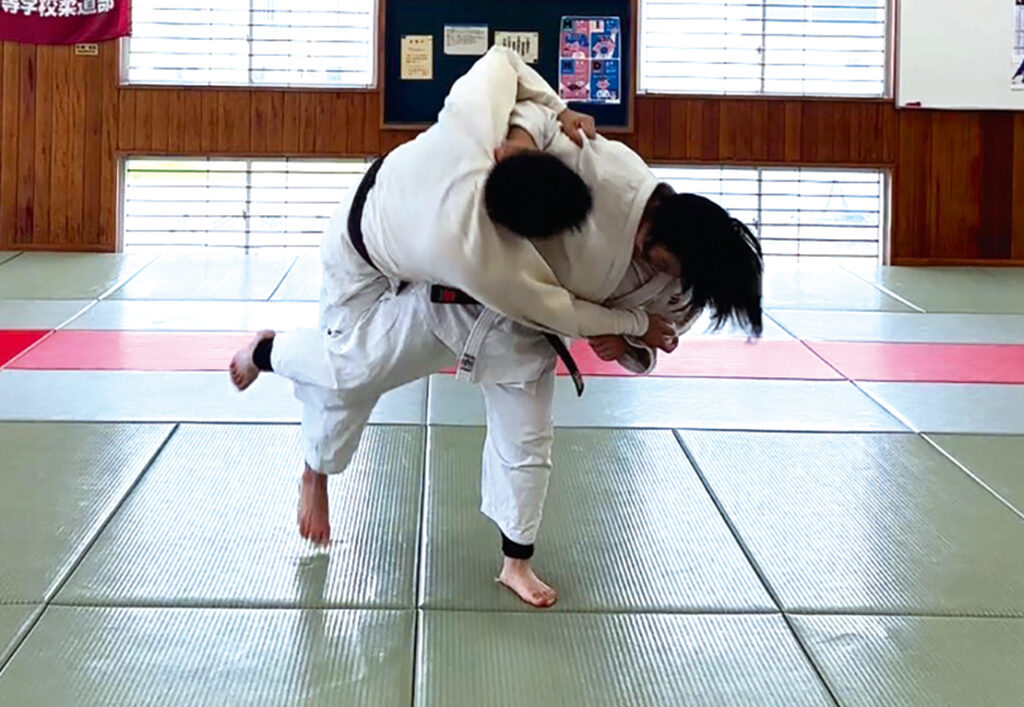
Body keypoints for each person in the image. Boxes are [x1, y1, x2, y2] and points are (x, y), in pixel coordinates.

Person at [229, 103, 763, 609]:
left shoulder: (681, 293)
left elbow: (654, 345)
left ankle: (516, 562)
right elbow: (531, 113)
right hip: (460, 300)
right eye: (656, 252)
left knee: (527, 443)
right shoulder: (618, 172)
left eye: (666, 267)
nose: (651, 261)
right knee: (352, 370)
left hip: (527, 336)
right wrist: (541, 129)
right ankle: (272, 360)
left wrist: (628, 345)